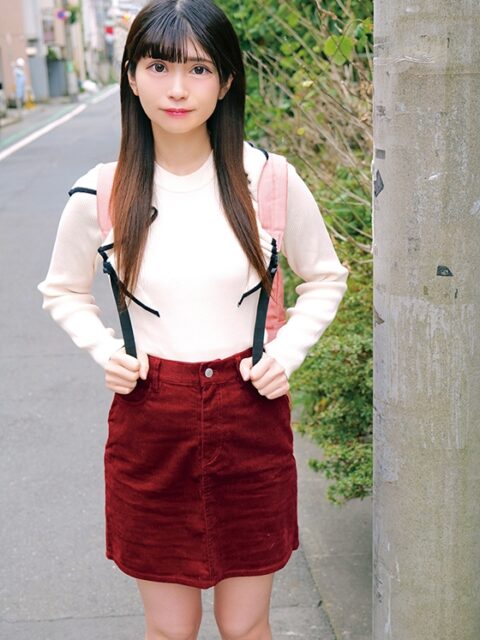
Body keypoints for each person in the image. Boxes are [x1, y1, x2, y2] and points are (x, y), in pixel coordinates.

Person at [38, 1, 348, 638]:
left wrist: (285, 354)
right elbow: (62, 290)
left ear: (226, 80)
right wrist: (106, 350)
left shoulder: (269, 181)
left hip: (250, 416)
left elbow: (326, 278)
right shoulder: (102, 192)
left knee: (245, 625)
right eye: (159, 67)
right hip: (150, 422)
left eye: (199, 69)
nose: (177, 89)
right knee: (170, 628)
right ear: (132, 76)